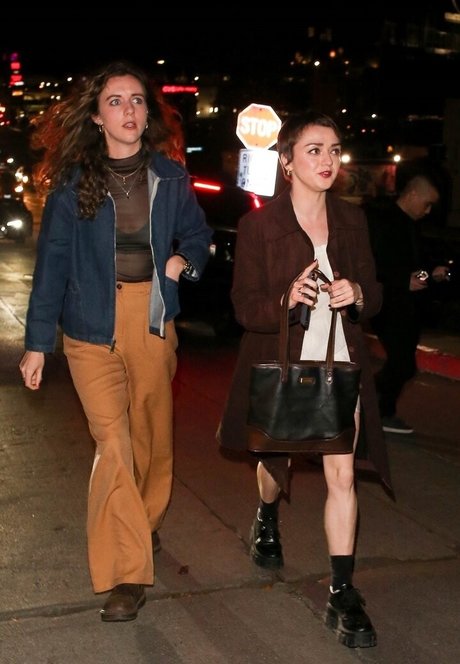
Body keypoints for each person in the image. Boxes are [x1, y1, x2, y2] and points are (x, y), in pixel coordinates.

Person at [19, 61, 212, 622]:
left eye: (137, 100)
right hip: (89, 328)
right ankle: (127, 574)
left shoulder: (170, 178)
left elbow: (198, 236)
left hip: (151, 318)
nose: (128, 110)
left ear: (148, 114)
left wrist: (183, 262)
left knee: (150, 438)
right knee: (113, 442)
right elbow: (52, 264)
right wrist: (38, 342)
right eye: (115, 101)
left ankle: (142, 524)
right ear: (97, 117)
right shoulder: (73, 184)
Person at [217, 111, 392, 649]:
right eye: (314, 150)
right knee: (278, 462)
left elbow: (375, 292)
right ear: (287, 162)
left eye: (335, 150)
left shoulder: (352, 220)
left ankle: (342, 591)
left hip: (340, 363)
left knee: (342, 474)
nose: (328, 160)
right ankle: (267, 513)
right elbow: (244, 306)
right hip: (286, 362)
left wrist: (357, 295)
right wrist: (285, 299)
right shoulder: (259, 226)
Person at [366, 173, 450, 434]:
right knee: (402, 363)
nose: (428, 211)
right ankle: (378, 408)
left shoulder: (412, 226)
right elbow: (372, 265)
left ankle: (373, 403)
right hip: (385, 304)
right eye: (427, 204)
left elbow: (414, 266)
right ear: (412, 195)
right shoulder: (381, 221)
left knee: (404, 364)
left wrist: (431, 273)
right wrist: (403, 280)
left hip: (406, 305)